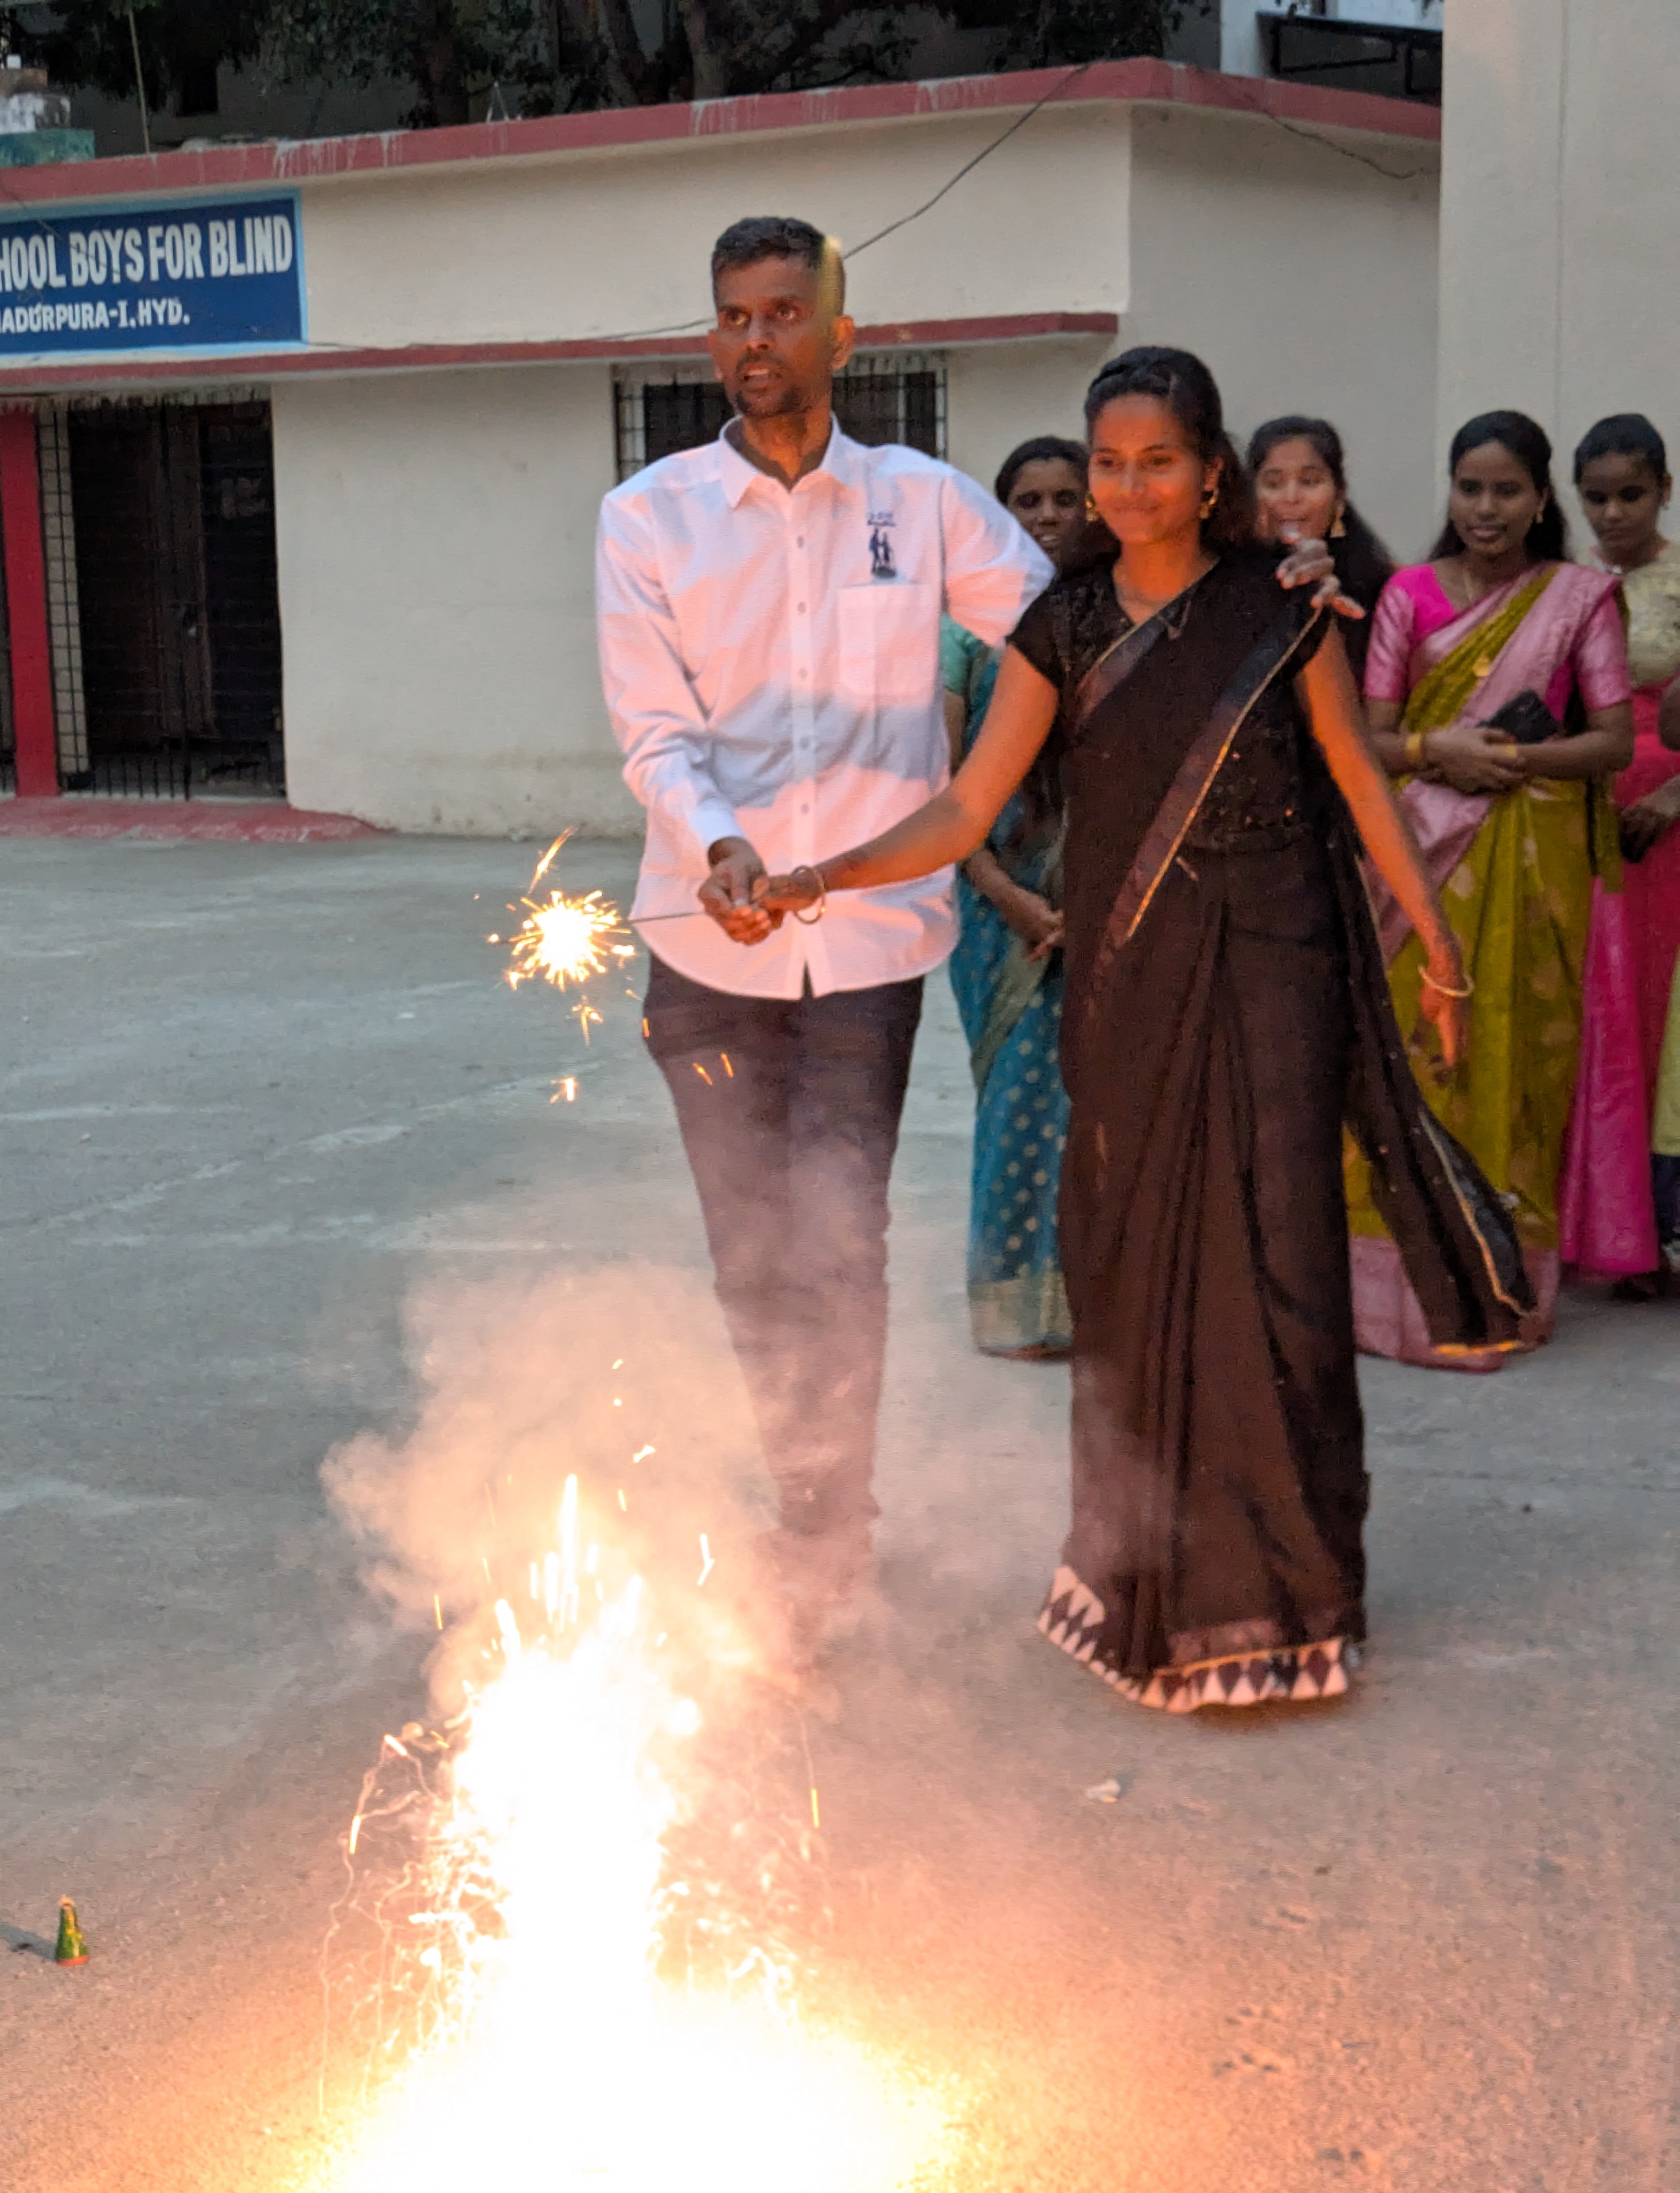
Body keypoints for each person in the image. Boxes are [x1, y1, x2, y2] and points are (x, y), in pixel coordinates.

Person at [742, 346, 1527, 1713]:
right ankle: (1146, 1585)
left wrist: (1440, 942)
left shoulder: (1281, 610)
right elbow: (965, 810)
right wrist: (814, 875)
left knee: (1278, 1264)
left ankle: (1297, 1600)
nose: (1127, 485)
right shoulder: (1060, 624)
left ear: (1210, 469)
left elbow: (1353, 771)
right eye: (1108, 461)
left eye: (1157, 459)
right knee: (1140, 1267)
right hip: (1129, 982)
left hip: (1280, 966)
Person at [594, 215, 1051, 1641]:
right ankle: (800, 1495)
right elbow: (654, 731)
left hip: (866, 946)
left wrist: (1254, 572)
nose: (754, 341)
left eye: (784, 313)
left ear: (841, 335)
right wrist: (720, 844)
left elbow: (1073, 627)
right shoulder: (648, 516)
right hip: (702, 935)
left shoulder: (921, 506)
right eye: (731, 315)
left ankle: (829, 1524)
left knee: (838, 1238)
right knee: (751, 1252)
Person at [1354, 410, 1634, 1366]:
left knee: (1513, 1067)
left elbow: (1612, 742)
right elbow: (1368, 737)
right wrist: (1441, 750)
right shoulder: (1407, 595)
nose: (1485, 508)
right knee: (1416, 1063)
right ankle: (1394, 1299)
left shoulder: (1578, 598)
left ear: (1538, 497)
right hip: (1416, 869)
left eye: (1505, 489)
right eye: (1468, 487)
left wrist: (1506, 760)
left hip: (1530, 865)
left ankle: (1500, 1289)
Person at [942, 437, 1086, 1358]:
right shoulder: (962, 632)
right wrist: (1008, 895)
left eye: (1064, 499)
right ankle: (1011, 1310)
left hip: (1101, 902)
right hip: (998, 905)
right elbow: (941, 785)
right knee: (1018, 1096)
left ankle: (1090, 1302)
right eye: (1025, 502)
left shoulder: (1117, 618)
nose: (1044, 518)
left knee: (1095, 1104)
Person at [1561, 412, 1680, 1295]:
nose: (1612, 514)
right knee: (1600, 1011)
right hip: (1586, 813)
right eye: (1596, 498)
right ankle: (1605, 1232)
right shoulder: (1568, 589)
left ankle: (1656, 1227)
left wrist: (1676, 796)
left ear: (1664, 493)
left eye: (1630, 495)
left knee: (1657, 1015)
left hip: (1670, 819)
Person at [1248, 415, 1394, 683]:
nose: (1291, 497)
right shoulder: (1228, 576)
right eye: (1273, 484)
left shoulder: (1383, 591)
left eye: (1309, 482)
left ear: (1340, 494)